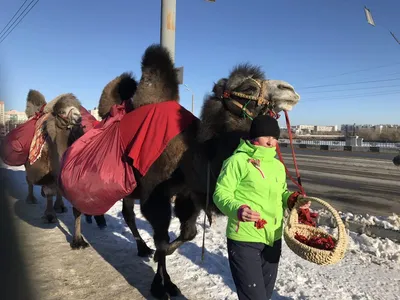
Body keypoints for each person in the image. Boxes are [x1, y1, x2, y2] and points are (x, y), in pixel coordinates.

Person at [213, 114, 310, 300]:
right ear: (254, 136)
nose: (271, 141)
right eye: (266, 136)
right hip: (244, 238)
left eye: (275, 137)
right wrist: (238, 210)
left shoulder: (277, 166)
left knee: (264, 295)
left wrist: (293, 200)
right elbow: (221, 194)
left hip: (273, 237)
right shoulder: (236, 161)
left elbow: (280, 193)